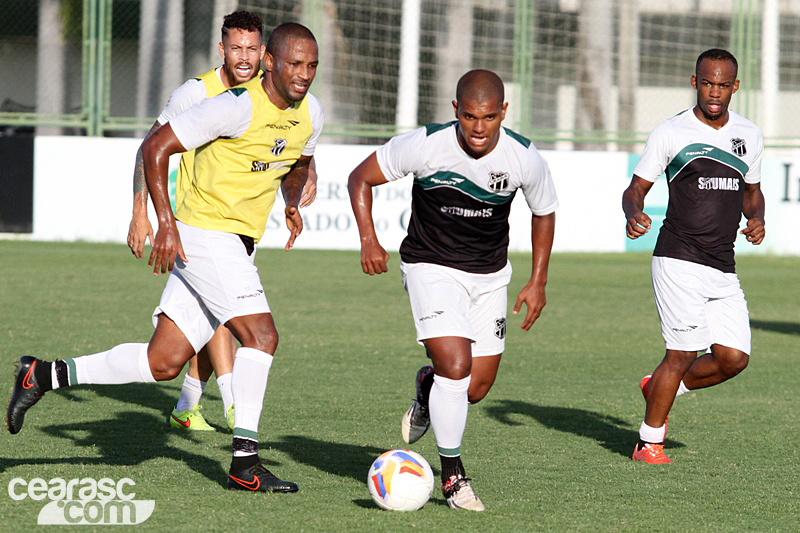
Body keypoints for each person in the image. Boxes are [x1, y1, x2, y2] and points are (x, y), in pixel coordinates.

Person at [6, 22, 324, 493]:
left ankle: (44, 375)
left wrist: (292, 199)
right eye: (295, 63)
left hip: (234, 241)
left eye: (312, 65)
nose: (304, 74)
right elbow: (155, 146)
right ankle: (245, 463)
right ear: (271, 62)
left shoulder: (311, 112)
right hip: (206, 234)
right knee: (262, 336)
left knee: (163, 362)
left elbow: (298, 161)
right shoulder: (232, 105)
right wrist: (165, 223)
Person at [348, 69, 558, 511]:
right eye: (469, 116)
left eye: (489, 117)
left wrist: (538, 279)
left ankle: (428, 385)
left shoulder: (524, 157)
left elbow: (544, 212)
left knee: (474, 388)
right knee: (457, 367)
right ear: (455, 110)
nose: (479, 128)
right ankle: (453, 477)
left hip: (490, 277)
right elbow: (359, 178)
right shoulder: (425, 144)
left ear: (504, 112)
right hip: (430, 266)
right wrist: (368, 239)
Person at [126, 11, 318, 433]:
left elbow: (295, 149)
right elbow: (150, 146)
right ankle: (236, 414)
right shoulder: (198, 94)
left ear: (264, 54)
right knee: (248, 327)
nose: (244, 57)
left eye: (251, 48)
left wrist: (297, 189)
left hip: (241, 230)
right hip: (201, 227)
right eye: (236, 48)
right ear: (222, 50)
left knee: (168, 356)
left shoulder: (281, 96)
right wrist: (144, 213)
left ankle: (184, 404)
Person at [622, 48, 765, 465]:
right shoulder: (671, 132)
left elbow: (752, 192)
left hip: (722, 264)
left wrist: (757, 218)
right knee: (682, 352)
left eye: (723, 85)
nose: (714, 92)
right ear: (694, 83)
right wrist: (633, 212)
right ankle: (648, 442)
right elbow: (636, 189)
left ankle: (659, 388)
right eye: (707, 83)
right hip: (678, 258)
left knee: (732, 359)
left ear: (735, 86)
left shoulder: (749, 134)